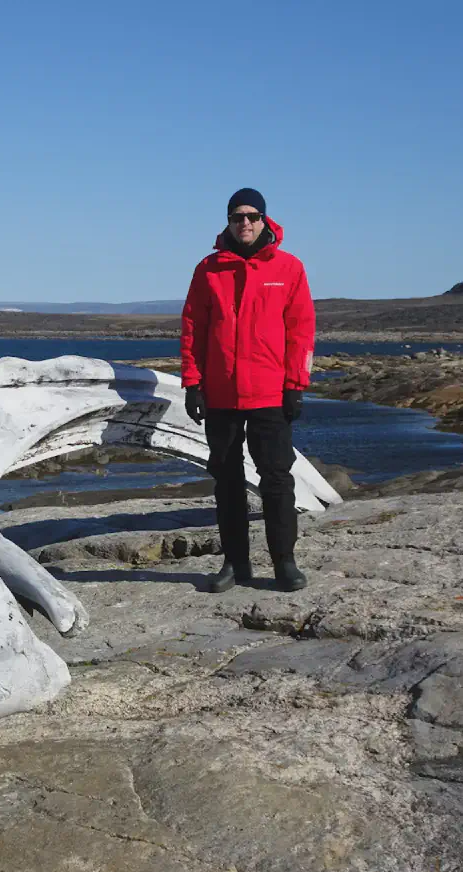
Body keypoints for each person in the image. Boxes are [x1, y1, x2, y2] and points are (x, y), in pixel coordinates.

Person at [180, 188, 316, 592]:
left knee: (276, 479)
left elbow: (302, 330)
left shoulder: (289, 268)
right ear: (228, 220)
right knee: (226, 481)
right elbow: (193, 329)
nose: (245, 223)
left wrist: (296, 384)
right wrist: (193, 383)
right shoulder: (208, 269)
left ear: (264, 219)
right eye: (237, 216)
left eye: (252, 216)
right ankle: (236, 564)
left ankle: (284, 563)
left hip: (270, 394)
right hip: (220, 394)